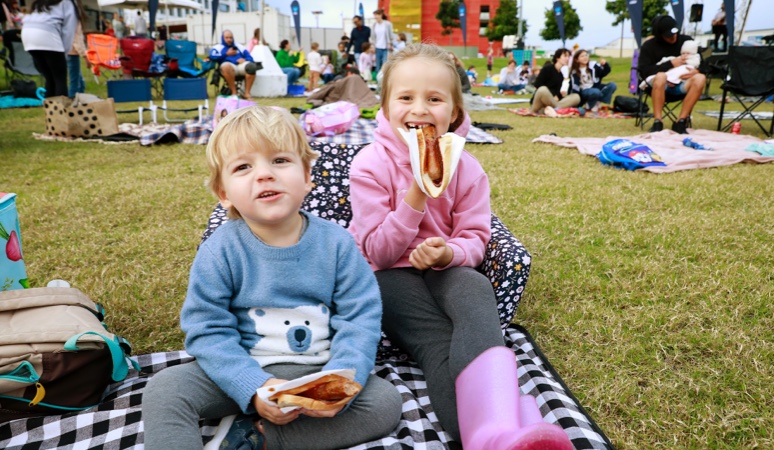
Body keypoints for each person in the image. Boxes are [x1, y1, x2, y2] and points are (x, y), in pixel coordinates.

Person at [142, 106, 403, 450]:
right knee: (164, 389)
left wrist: (340, 378)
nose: (264, 175)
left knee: (385, 403)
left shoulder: (337, 244)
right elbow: (206, 328)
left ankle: (259, 439)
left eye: (279, 160)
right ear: (224, 193)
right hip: (238, 369)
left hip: (317, 370)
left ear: (307, 174)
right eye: (243, 167)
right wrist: (252, 386)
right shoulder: (221, 249)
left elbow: (360, 319)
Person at [347, 42, 534, 446]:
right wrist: (417, 192)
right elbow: (376, 250)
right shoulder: (369, 164)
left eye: (434, 99)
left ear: (455, 113)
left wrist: (449, 252)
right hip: (387, 276)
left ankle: (502, 423)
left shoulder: (467, 168)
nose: (419, 109)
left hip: (445, 268)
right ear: (384, 107)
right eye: (406, 98)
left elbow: (476, 238)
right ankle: (478, 435)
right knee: (438, 342)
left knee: (475, 290)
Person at [638, 15, 706, 134]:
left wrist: (697, 70)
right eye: (668, 35)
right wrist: (670, 64)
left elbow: (704, 64)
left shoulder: (686, 41)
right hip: (658, 86)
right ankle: (657, 122)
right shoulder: (649, 46)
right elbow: (644, 70)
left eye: (675, 33)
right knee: (660, 76)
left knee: (700, 78)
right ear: (659, 35)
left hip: (681, 85)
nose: (673, 37)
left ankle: (681, 121)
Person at [21, 0, 83, 98]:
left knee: (49, 78)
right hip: (47, 34)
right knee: (60, 79)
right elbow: (69, 31)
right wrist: (64, 52)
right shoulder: (69, 3)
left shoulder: (45, 2)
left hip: (28, 34)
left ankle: (50, 111)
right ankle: (60, 112)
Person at [530, 48, 580, 116]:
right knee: (543, 89)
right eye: (565, 56)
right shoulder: (548, 68)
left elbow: (556, 93)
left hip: (552, 103)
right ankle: (557, 109)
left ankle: (554, 109)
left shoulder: (561, 75)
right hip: (540, 101)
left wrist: (561, 95)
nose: (567, 58)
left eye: (568, 56)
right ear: (557, 58)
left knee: (576, 97)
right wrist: (553, 95)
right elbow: (537, 84)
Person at [209, 30, 257, 100]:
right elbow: (212, 57)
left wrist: (245, 60)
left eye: (231, 38)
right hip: (228, 66)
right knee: (226, 67)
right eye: (227, 38)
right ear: (223, 38)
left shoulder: (239, 46)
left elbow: (250, 57)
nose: (229, 39)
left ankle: (247, 93)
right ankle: (234, 93)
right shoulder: (217, 47)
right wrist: (226, 54)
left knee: (251, 66)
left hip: (240, 66)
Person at [66, 21, 87, 98]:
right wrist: (84, 55)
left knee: (79, 81)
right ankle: (73, 99)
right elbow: (77, 39)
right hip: (72, 52)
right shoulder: (75, 21)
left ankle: (80, 98)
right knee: (75, 82)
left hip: (64, 51)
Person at [372, 9, 393, 74]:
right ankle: (378, 81)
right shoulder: (374, 25)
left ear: (381, 15)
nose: (375, 17)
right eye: (374, 15)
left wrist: (390, 44)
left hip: (386, 47)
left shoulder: (387, 24)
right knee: (377, 64)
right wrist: (373, 46)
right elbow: (372, 37)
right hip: (377, 47)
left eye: (377, 15)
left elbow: (391, 35)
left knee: (385, 64)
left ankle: (384, 80)